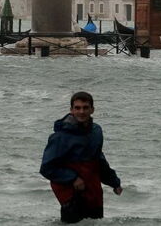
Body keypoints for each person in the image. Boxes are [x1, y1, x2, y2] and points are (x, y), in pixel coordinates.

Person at [40, 92, 122, 223]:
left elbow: (98, 160)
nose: (81, 111)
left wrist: (114, 182)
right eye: (77, 108)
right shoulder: (60, 137)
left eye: (85, 107)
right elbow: (46, 168)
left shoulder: (96, 131)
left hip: (93, 192)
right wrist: (73, 178)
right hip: (71, 194)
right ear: (71, 110)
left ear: (92, 109)